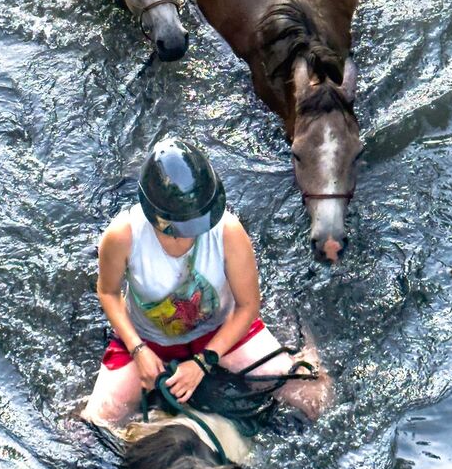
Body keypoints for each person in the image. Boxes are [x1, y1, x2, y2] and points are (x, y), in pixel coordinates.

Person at [83, 136, 332, 425]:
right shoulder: (122, 235)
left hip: (222, 332)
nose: (192, 234)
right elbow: (109, 293)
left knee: (314, 399)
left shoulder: (228, 231)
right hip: (148, 340)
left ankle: (306, 353)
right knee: (95, 424)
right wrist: (138, 349)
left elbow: (248, 306)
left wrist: (204, 361)